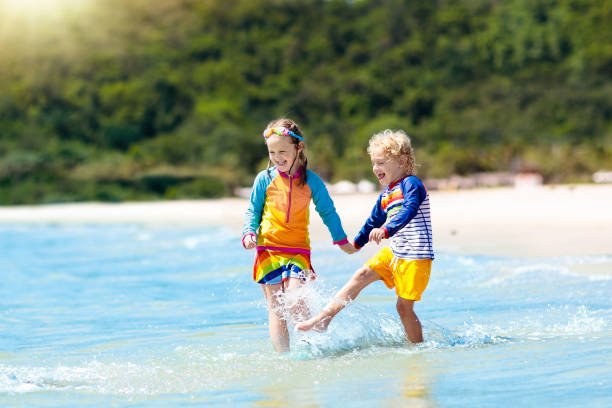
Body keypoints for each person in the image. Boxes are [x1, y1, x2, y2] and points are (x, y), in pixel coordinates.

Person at [296, 129, 434, 344]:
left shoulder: (411, 184)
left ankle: (417, 350)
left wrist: (387, 229)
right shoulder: (387, 193)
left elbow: (408, 210)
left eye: (381, 163)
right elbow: (372, 222)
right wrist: (355, 245)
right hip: (395, 253)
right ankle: (323, 319)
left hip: (415, 256)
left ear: (402, 161)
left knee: (403, 307)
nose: (375, 168)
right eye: (374, 163)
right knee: (360, 275)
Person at [242, 118, 357, 352]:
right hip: (268, 251)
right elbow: (253, 210)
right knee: (276, 309)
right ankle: (285, 360)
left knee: (295, 298)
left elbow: (327, 211)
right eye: (272, 152)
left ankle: (310, 347)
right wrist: (248, 233)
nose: (277, 157)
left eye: (282, 151)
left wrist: (342, 240)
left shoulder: (312, 181)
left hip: (298, 251)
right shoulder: (264, 179)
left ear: (298, 147)